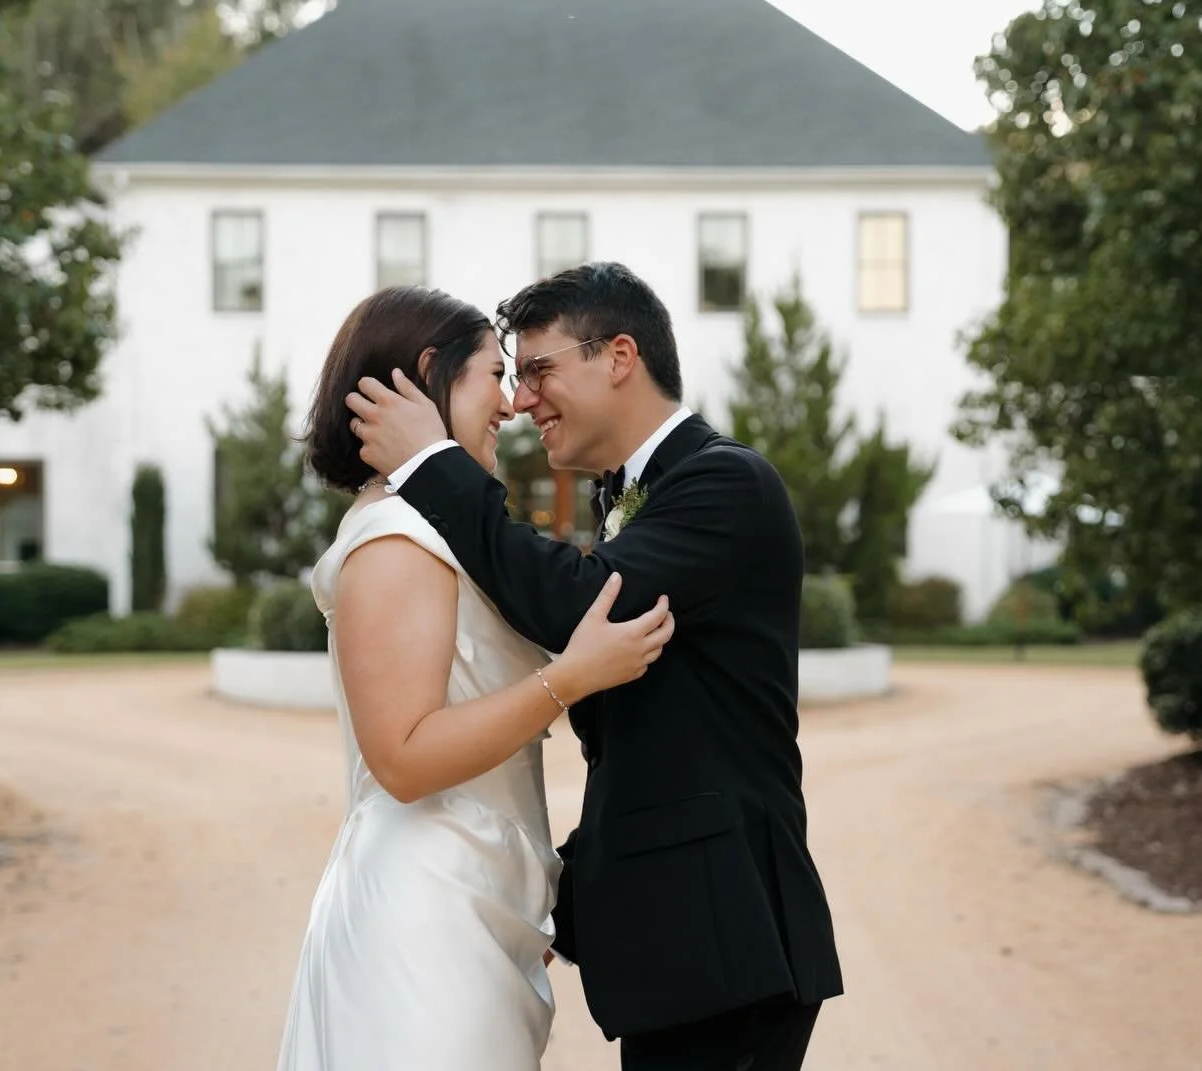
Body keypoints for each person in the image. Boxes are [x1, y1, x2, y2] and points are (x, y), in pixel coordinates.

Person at [345, 263, 844, 1071]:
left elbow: (578, 603)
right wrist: (563, 900)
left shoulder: (725, 481)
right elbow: (651, 749)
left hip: (730, 937)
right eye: (513, 375)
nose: (522, 400)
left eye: (539, 370)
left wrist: (434, 463)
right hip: (685, 943)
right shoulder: (635, 495)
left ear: (618, 356)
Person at [275, 285, 676, 1071]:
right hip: (425, 904)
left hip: (470, 891)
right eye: (493, 374)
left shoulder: (433, 527)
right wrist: (568, 679)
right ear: (430, 375)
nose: (510, 404)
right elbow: (403, 757)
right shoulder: (396, 538)